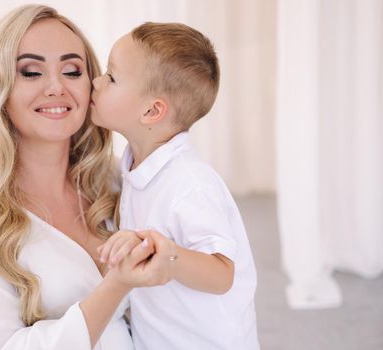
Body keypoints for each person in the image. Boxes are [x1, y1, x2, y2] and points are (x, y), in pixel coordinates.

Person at [0, 5, 172, 350]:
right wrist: (116, 285)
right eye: (31, 72)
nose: (57, 87)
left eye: (73, 71)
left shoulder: (115, 182)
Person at [91, 22, 260, 349]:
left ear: (152, 111)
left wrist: (170, 256)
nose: (96, 82)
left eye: (111, 77)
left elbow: (223, 273)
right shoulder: (134, 166)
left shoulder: (190, 184)